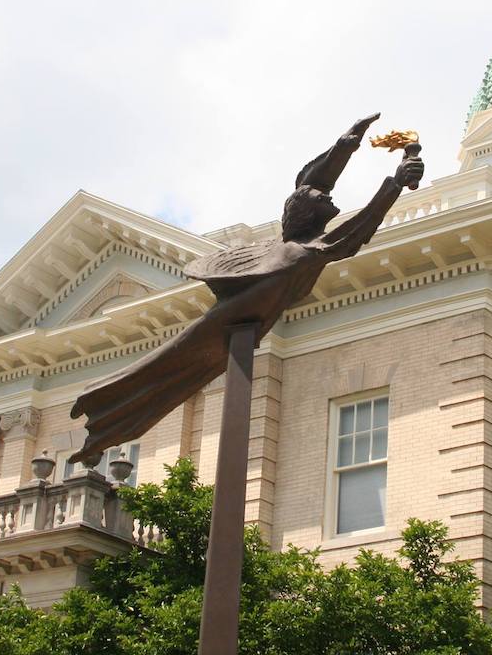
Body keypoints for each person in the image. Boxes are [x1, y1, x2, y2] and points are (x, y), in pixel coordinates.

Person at [69, 113, 423, 465]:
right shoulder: (297, 252)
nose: (331, 201)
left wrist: (349, 145)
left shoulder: (297, 246)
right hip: (224, 327)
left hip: (234, 328)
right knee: (160, 376)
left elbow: (311, 191)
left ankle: (102, 432)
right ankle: (101, 427)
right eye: (323, 200)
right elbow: (350, 234)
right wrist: (392, 182)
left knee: (167, 382)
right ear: (309, 215)